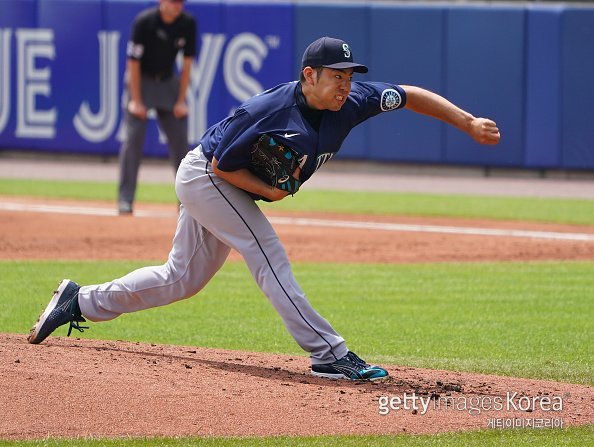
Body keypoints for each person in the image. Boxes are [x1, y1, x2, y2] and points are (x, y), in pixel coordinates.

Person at [28, 37, 500, 380]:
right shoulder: (272, 110)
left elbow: (411, 94)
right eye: (336, 76)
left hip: (217, 178)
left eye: (349, 75)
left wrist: (468, 123)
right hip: (206, 175)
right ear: (309, 76)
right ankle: (329, 353)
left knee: (181, 278)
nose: (345, 85)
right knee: (266, 251)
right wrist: (271, 194)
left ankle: (80, 299)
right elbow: (221, 164)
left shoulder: (354, 101)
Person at [118, 0, 197, 214]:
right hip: (140, 81)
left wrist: (181, 100)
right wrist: (135, 99)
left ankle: (186, 203)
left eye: (181, 2)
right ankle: (125, 199)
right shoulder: (144, 22)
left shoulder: (187, 23)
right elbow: (133, 63)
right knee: (133, 139)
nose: (177, 5)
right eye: (173, 1)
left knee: (181, 144)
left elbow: (187, 63)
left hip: (168, 83)